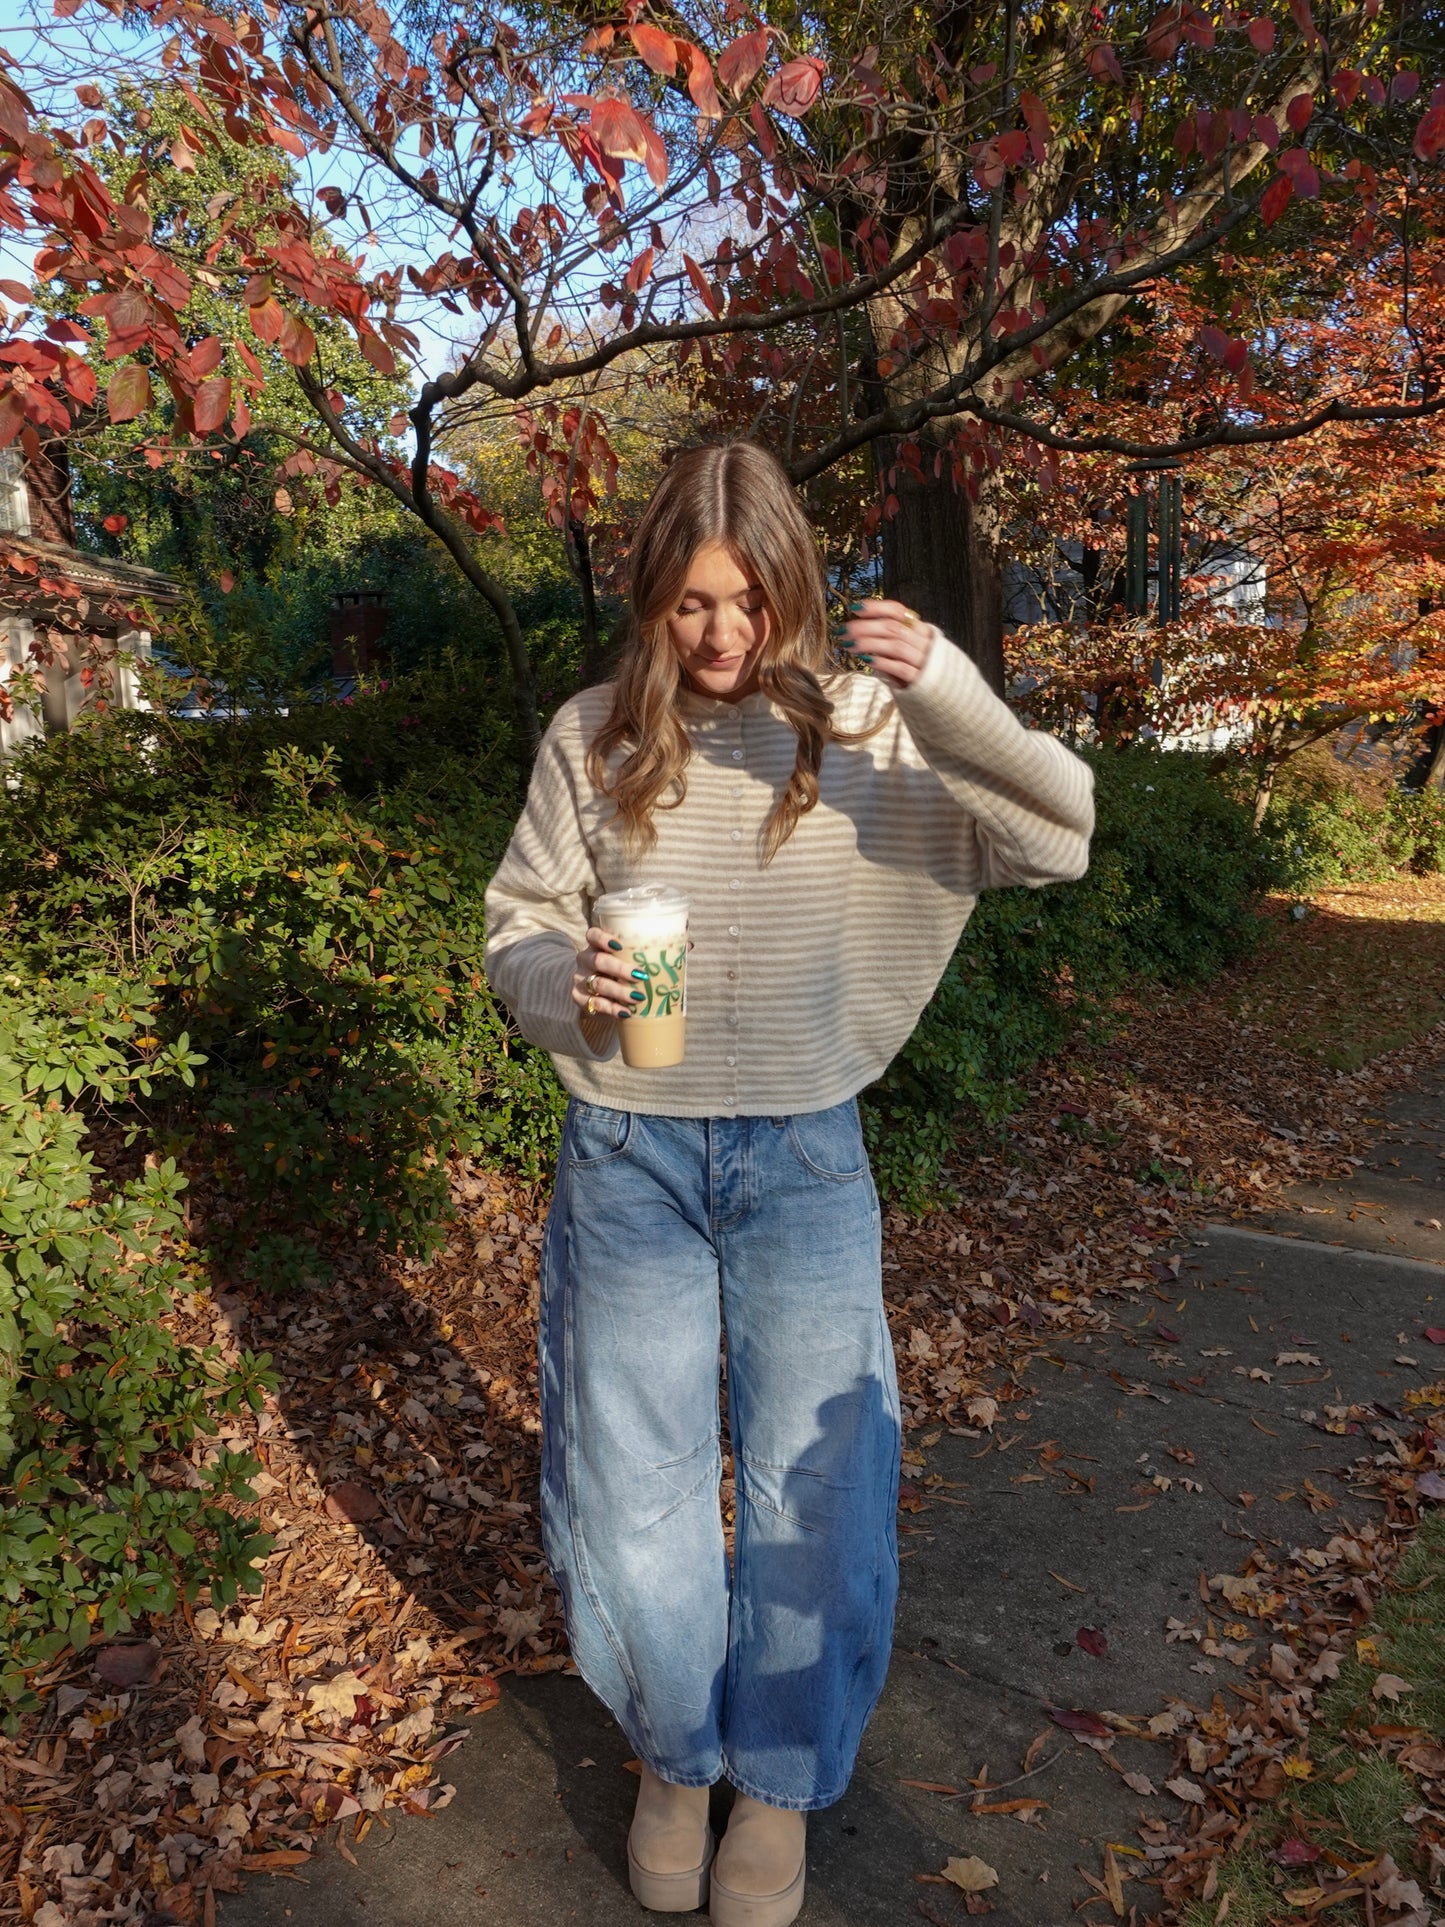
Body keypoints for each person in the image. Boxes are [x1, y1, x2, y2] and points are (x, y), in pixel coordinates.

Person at [483, 441, 1093, 1926]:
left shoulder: (872, 729)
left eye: (749, 603)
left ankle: (780, 1783)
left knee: (811, 1488)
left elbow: (1057, 834)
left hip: (803, 1152)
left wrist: (945, 684)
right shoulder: (590, 736)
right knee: (637, 1491)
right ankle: (678, 1759)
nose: (720, 638)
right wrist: (574, 982)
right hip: (626, 1152)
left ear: (797, 593)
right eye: (691, 605)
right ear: (650, 599)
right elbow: (516, 931)